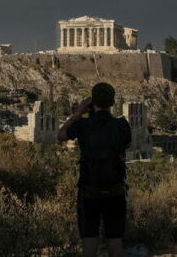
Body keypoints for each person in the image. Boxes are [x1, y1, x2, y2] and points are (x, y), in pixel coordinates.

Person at [57, 82, 132, 257]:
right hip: (115, 190)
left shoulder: (83, 124)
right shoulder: (122, 125)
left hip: (89, 191)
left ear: (92, 102)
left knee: (89, 241)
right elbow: (126, 145)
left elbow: (60, 135)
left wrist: (78, 113)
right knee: (115, 240)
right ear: (112, 102)